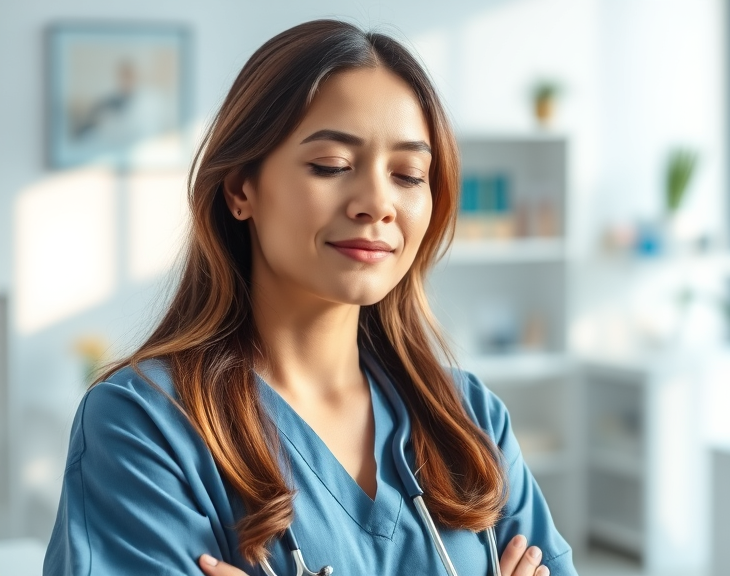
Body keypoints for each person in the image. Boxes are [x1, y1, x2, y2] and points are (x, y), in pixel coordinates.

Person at [43, 19, 576, 576]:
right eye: (332, 166)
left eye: (409, 174)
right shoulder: (143, 425)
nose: (377, 203)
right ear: (241, 188)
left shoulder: (469, 418)